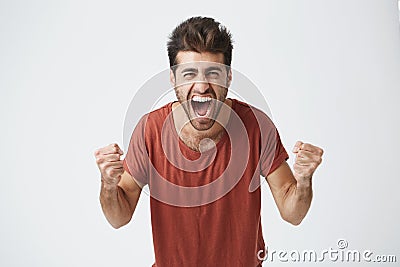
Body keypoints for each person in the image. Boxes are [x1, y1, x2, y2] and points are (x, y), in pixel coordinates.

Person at [94, 16, 323, 267]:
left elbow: (293, 214)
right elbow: (119, 217)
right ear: (173, 79)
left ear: (228, 78)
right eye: (189, 73)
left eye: (213, 73)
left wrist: (303, 181)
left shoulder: (257, 126)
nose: (202, 86)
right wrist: (108, 184)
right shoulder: (150, 130)